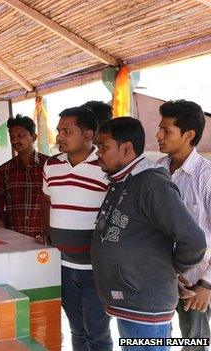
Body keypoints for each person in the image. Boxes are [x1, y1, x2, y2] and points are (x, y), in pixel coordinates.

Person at [93, 117, 206, 350]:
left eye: (103, 147)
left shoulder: (151, 183)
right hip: (132, 300)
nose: (98, 153)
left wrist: (171, 268)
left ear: (126, 148)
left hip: (144, 304)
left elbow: (193, 241)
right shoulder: (123, 179)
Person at [41, 106, 112, 350]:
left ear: (87, 134)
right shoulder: (52, 165)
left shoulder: (105, 166)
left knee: (97, 333)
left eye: (67, 131)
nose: (60, 136)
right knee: (76, 329)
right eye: (59, 130)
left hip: (96, 268)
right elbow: (47, 200)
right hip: (62, 265)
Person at [156, 100, 211, 350]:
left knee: (194, 344)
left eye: (166, 130)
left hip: (197, 283)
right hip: (165, 280)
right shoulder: (155, 172)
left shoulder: (206, 177)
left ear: (188, 135)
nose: (158, 135)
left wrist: (207, 285)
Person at [0, 114, 48, 238]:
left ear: (34, 137)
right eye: (12, 137)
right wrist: (3, 236)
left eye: (21, 135)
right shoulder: (4, 169)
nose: (15, 140)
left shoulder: (49, 165)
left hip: (44, 238)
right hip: (14, 239)